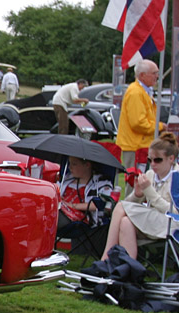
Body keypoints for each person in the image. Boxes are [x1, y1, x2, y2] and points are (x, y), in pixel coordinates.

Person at [100, 131, 178, 260]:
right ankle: (129, 267)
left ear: (171, 158)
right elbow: (131, 203)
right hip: (151, 222)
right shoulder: (150, 174)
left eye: (158, 160)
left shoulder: (177, 177)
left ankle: (106, 257)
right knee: (125, 222)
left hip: (171, 225)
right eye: (149, 160)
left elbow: (174, 212)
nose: (152, 164)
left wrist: (149, 191)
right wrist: (136, 195)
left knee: (121, 206)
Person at [116, 59, 166, 170]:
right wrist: (161, 127)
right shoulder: (135, 93)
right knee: (135, 182)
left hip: (142, 145)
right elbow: (138, 123)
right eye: (154, 73)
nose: (157, 76)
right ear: (142, 75)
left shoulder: (144, 91)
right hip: (135, 147)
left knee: (143, 182)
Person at [58, 156, 114, 235]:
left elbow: (98, 204)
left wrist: (71, 206)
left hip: (82, 219)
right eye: (69, 163)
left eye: (74, 164)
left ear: (87, 165)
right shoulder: (67, 179)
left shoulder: (101, 183)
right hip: (60, 212)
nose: (70, 167)